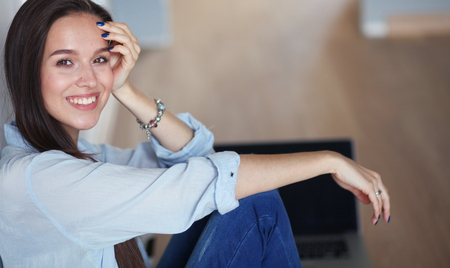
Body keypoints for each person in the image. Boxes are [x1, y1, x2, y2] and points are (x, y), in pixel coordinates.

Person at [0, 0, 391, 267]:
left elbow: (196, 154)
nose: (88, 79)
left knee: (248, 200)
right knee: (260, 208)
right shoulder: (40, 179)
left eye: (100, 59)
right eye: (65, 62)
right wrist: (327, 161)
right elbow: (198, 184)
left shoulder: (78, 156)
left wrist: (126, 90)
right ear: (26, 69)